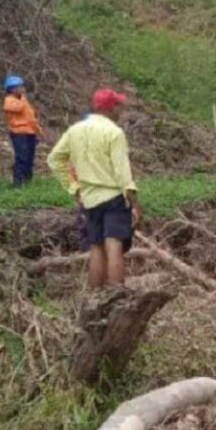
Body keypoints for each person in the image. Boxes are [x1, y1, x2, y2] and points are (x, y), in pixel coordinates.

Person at [48, 89, 142, 289]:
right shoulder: (114, 132)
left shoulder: (75, 130)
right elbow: (123, 174)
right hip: (114, 197)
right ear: (111, 108)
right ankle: (118, 296)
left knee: (96, 247)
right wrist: (134, 203)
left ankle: (94, 297)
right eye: (118, 106)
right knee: (114, 245)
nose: (120, 111)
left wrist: (74, 188)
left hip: (89, 199)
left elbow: (54, 159)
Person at [2, 75, 43, 186]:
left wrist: (37, 130)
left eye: (21, 86)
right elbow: (19, 108)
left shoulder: (22, 100)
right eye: (19, 87)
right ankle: (18, 184)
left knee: (30, 158)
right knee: (21, 158)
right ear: (11, 89)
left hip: (30, 132)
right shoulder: (9, 100)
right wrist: (24, 98)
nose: (22, 89)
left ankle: (28, 181)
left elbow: (31, 117)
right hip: (19, 133)